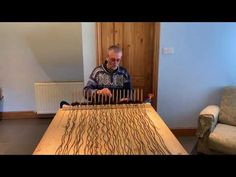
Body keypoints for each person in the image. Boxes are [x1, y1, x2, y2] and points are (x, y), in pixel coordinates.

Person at [60, 45, 132, 108]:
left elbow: (130, 92)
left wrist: (127, 98)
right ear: (107, 57)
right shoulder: (98, 72)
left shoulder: (123, 72)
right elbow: (86, 92)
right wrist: (99, 92)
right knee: (63, 104)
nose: (115, 63)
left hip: (118, 107)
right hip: (100, 107)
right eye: (112, 60)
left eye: (118, 60)